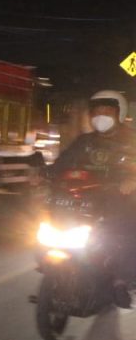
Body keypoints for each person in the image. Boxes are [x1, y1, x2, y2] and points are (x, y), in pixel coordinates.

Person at [47, 89, 136, 306]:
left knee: (125, 231)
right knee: (51, 221)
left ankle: (123, 281)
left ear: (119, 113)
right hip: (84, 198)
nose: (100, 117)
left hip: (119, 200)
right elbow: (63, 163)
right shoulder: (84, 142)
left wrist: (131, 180)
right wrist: (44, 174)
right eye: (96, 112)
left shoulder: (131, 140)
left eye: (106, 111)